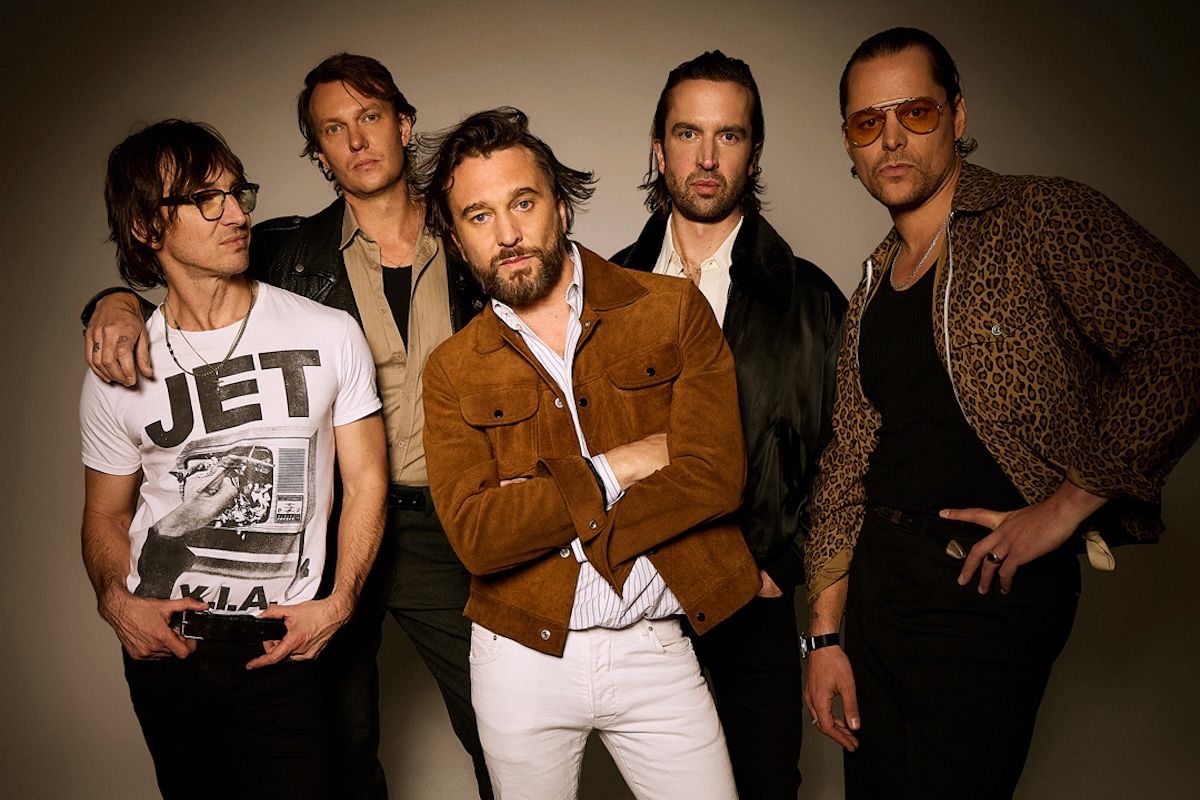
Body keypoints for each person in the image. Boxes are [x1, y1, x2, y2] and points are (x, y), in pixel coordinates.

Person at [801, 26, 1200, 799]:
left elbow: (1184, 336)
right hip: (879, 596)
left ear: (956, 114)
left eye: (915, 113)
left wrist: (1069, 505)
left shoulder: (1040, 215)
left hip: (983, 588)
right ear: (848, 142)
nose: (891, 139)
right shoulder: (870, 287)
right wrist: (822, 638)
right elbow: (847, 465)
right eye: (867, 122)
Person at [80, 54, 490, 800]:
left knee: (502, 727)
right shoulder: (281, 248)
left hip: (449, 520)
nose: (357, 140)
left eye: (370, 117)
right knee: (339, 748)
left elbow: (544, 284)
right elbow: (185, 280)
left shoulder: (474, 238)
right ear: (318, 153)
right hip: (331, 533)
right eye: (333, 128)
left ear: (404, 125)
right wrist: (113, 302)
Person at [419, 107, 761, 800]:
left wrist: (546, 510)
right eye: (479, 216)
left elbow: (715, 476)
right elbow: (480, 539)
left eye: (523, 203)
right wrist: (620, 465)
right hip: (520, 656)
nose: (508, 234)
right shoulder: (451, 370)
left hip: (653, 642)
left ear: (561, 207)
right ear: (456, 240)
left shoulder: (672, 310)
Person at [79, 119, 388, 799]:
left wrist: (340, 602)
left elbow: (367, 481)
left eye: (237, 192)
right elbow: (105, 514)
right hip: (165, 646)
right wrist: (116, 602)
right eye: (205, 199)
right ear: (147, 226)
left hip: (280, 645)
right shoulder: (119, 367)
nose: (238, 213)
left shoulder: (329, 333)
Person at [611, 50, 844, 800]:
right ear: (659, 148)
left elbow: (845, 459)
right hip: (635, 599)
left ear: (754, 152)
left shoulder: (810, 301)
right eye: (688, 133)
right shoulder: (604, 290)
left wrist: (787, 566)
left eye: (729, 135)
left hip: (752, 596)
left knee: (764, 784)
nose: (707, 158)